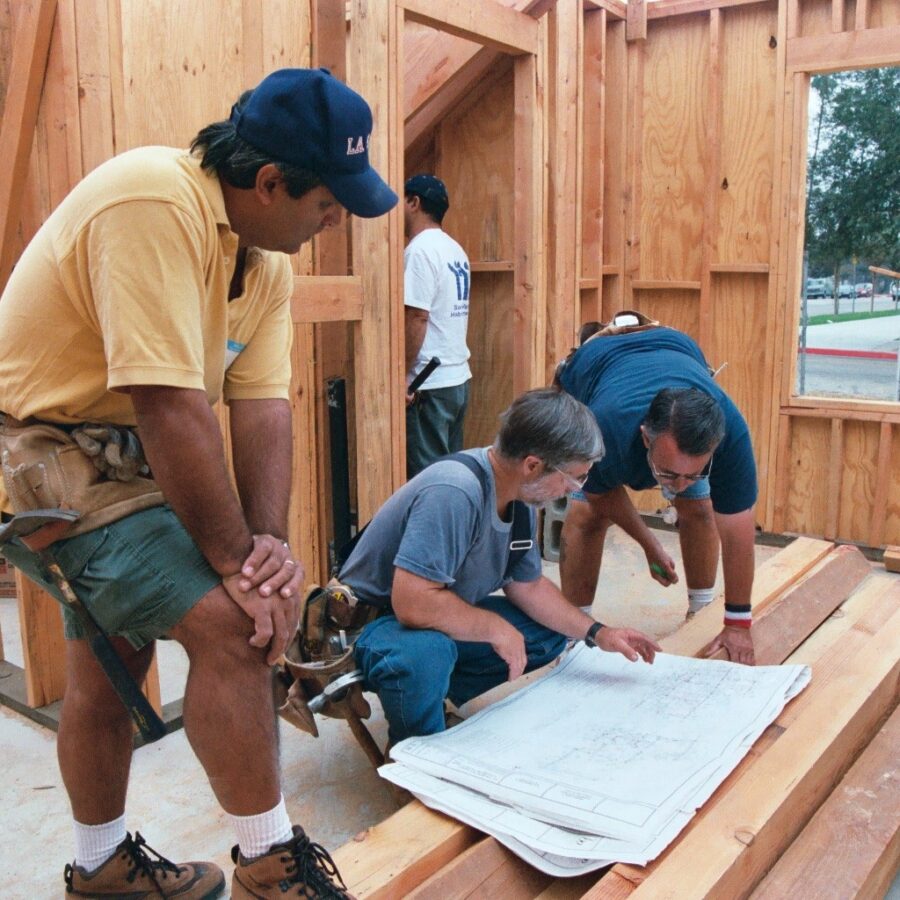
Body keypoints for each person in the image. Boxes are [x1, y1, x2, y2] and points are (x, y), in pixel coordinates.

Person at [0, 67, 396, 899]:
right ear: (268, 182)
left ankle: (101, 867)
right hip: (36, 449)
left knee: (112, 659)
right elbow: (170, 406)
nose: (333, 223)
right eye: (327, 204)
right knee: (230, 625)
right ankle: (268, 863)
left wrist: (271, 549)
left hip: (118, 451)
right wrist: (236, 571)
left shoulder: (265, 258)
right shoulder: (152, 201)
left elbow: (262, 409)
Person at [335, 388, 660, 746]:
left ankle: (428, 693)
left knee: (549, 632)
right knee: (427, 654)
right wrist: (493, 628)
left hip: (424, 618)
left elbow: (529, 586)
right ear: (533, 464)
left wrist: (598, 633)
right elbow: (413, 602)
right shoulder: (454, 491)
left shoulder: (518, 496)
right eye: (574, 478)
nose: (573, 490)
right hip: (369, 627)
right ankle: (416, 749)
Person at [555, 323, 758, 666]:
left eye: (692, 473)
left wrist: (738, 623)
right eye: (668, 474)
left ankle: (700, 609)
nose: (678, 485)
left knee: (699, 507)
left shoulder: (731, 433)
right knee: (586, 515)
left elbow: (739, 534)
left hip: (677, 347)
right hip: (595, 365)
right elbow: (602, 495)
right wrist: (649, 542)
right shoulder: (603, 426)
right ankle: (574, 633)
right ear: (646, 438)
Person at [403, 174, 472, 478]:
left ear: (414, 202)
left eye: (402, 202)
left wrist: (403, 375)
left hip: (427, 385)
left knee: (428, 483)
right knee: (450, 477)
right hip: (456, 381)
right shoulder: (455, 250)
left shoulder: (419, 251)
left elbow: (418, 316)